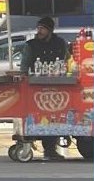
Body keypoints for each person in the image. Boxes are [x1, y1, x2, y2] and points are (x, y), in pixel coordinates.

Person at [20, 16, 71, 160]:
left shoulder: (60, 43)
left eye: (42, 28)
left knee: (54, 116)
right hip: (36, 87)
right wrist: (23, 77)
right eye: (38, 28)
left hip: (57, 86)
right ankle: (35, 145)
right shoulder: (31, 45)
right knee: (38, 117)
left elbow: (67, 59)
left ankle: (50, 150)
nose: (39, 31)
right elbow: (24, 65)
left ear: (50, 30)